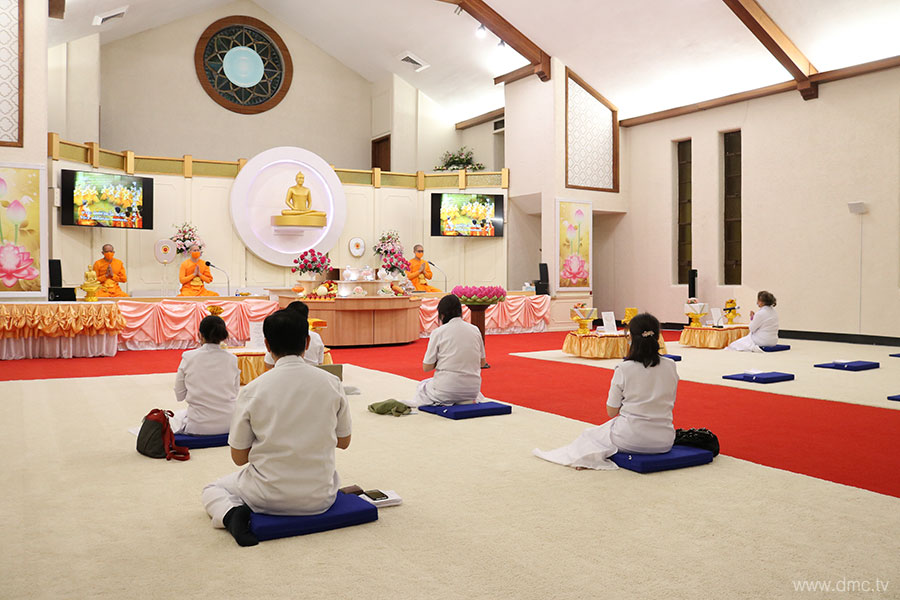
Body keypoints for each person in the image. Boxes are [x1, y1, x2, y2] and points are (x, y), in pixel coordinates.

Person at [201, 309, 351, 547]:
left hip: (266, 497)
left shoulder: (253, 389)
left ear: (267, 345)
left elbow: (239, 458)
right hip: (321, 496)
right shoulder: (331, 382)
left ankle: (230, 515)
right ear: (308, 341)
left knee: (213, 488)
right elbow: (343, 442)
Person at [533, 313, 678, 470]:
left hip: (631, 439)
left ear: (631, 338)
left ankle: (585, 459)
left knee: (590, 435)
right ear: (658, 337)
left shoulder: (624, 368)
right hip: (665, 440)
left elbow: (611, 411)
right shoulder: (671, 365)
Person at [402, 294, 485, 407]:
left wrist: (442, 360)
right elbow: (482, 363)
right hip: (472, 390)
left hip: (447, 388)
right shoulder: (475, 330)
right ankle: (462, 400)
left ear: (442, 315)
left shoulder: (438, 332)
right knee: (466, 391)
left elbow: (427, 367)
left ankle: (444, 401)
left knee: (423, 386)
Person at [169, 315, 240, 435]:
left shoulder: (188, 357)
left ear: (200, 335)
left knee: (174, 418)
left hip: (197, 426)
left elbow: (179, 395)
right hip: (229, 424)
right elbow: (235, 391)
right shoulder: (232, 359)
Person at [262, 301, 325, 370]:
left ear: (267, 344)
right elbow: (320, 363)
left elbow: (268, 364)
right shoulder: (316, 337)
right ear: (307, 341)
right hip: (313, 372)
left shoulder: (279, 335)